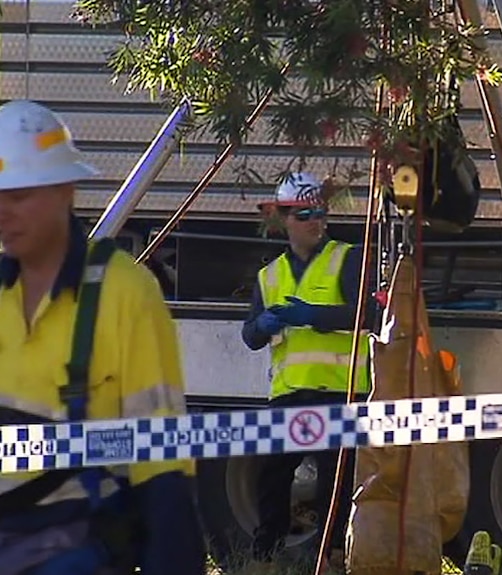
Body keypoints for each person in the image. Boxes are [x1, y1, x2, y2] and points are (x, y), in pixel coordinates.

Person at [0, 99, 206, 574]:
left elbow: (161, 460)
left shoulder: (122, 292)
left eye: (20, 196)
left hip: (75, 547)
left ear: (65, 190)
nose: (4, 213)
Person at [241, 172, 373, 565]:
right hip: (289, 393)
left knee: (336, 481)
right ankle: (267, 554)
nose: (316, 221)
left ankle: (332, 557)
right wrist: (263, 325)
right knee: (272, 477)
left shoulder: (346, 258)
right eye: (305, 214)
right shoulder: (270, 275)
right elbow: (250, 335)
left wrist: (311, 314)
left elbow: (367, 313)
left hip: (339, 390)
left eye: (320, 213)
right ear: (284, 219)